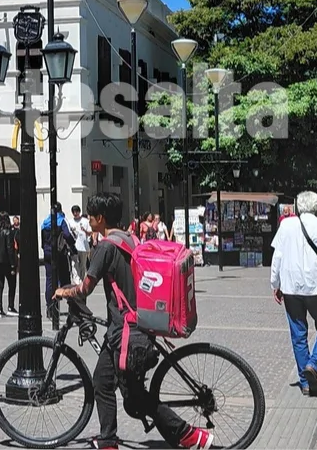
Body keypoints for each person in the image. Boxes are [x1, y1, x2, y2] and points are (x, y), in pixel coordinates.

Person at [55, 192, 216, 450]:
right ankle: (108, 441)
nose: (88, 219)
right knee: (104, 382)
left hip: (126, 334)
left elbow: (85, 288)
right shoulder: (130, 238)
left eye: (91, 215)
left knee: (135, 399)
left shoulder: (106, 247)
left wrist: (64, 292)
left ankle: (190, 436)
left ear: (100, 218)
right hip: (132, 326)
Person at [270, 191, 317, 397]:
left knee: (298, 334)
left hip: (291, 287)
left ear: (298, 206)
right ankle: (314, 364)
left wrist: (275, 283)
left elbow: (278, 256)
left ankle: (305, 382)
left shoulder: (286, 225)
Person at [41, 202, 77, 329]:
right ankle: (72, 308)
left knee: (50, 280)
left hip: (48, 253)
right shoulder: (61, 221)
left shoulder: (45, 222)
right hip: (60, 253)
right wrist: (72, 246)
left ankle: (50, 307)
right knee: (65, 279)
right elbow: (67, 235)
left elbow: (42, 239)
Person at [0, 212, 19, 317]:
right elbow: (10, 249)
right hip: (6, 263)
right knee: (12, 284)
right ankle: (10, 306)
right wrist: (13, 265)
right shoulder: (8, 232)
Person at [70, 205, 92, 283]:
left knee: (82, 265)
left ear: (79, 212)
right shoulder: (70, 222)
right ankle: (77, 281)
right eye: (74, 212)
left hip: (83, 246)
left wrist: (84, 231)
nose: (75, 213)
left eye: (77, 211)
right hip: (74, 246)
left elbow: (90, 232)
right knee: (74, 264)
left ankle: (81, 281)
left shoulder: (85, 221)